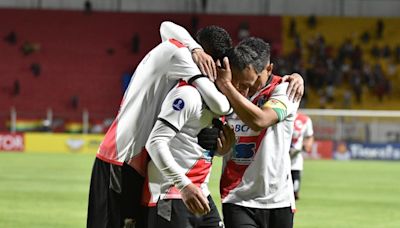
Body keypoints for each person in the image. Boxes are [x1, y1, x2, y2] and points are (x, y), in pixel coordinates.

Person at [87, 24, 232, 228]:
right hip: (120, 158)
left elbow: (166, 27)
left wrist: (194, 48)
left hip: (136, 161)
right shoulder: (182, 57)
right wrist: (224, 83)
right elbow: (222, 105)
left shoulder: (176, 49)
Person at [216, 40, 300, 228]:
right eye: (239, 83)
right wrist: (219, 149)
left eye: (251, 84)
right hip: (237, 196)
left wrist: (228, 87)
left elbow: (260, 121)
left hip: (278, 199)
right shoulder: (226, 91)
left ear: (269, 69)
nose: (245, 91)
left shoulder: (285, 89)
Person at [144, 80, 235, 228]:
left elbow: (192, 142)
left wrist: (220, 150)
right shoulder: (188, 94)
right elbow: (155, 142)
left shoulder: (219, 100)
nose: (242, 90)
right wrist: (183, 185)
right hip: (173, 193)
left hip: (201, 193)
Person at [290, 112, 314, 200]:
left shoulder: (305, 119)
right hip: (279, 161)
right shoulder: (277, 115)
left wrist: (308, 145)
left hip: (295, 161)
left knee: (295, 193)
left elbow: (309, 136)